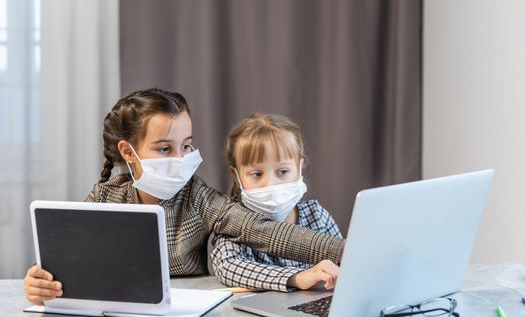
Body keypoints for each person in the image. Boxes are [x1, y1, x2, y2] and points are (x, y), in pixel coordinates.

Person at [23, 88, 344, 305]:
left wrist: (349, 252)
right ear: (128, 152)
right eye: (165, 148)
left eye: (186, 145)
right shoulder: (107, 197)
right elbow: (71, 261)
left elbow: (265, 232)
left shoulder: (200, 198)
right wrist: (42, 281)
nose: (180, 158)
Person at [211, 113, 342, 292]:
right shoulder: (231, 224)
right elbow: (228, 267)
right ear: (237, 175)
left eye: (283, 171)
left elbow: (347, 262)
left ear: (299, 167)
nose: (271, 184)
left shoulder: (317, 216)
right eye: (257, 174)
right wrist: (297, 278)